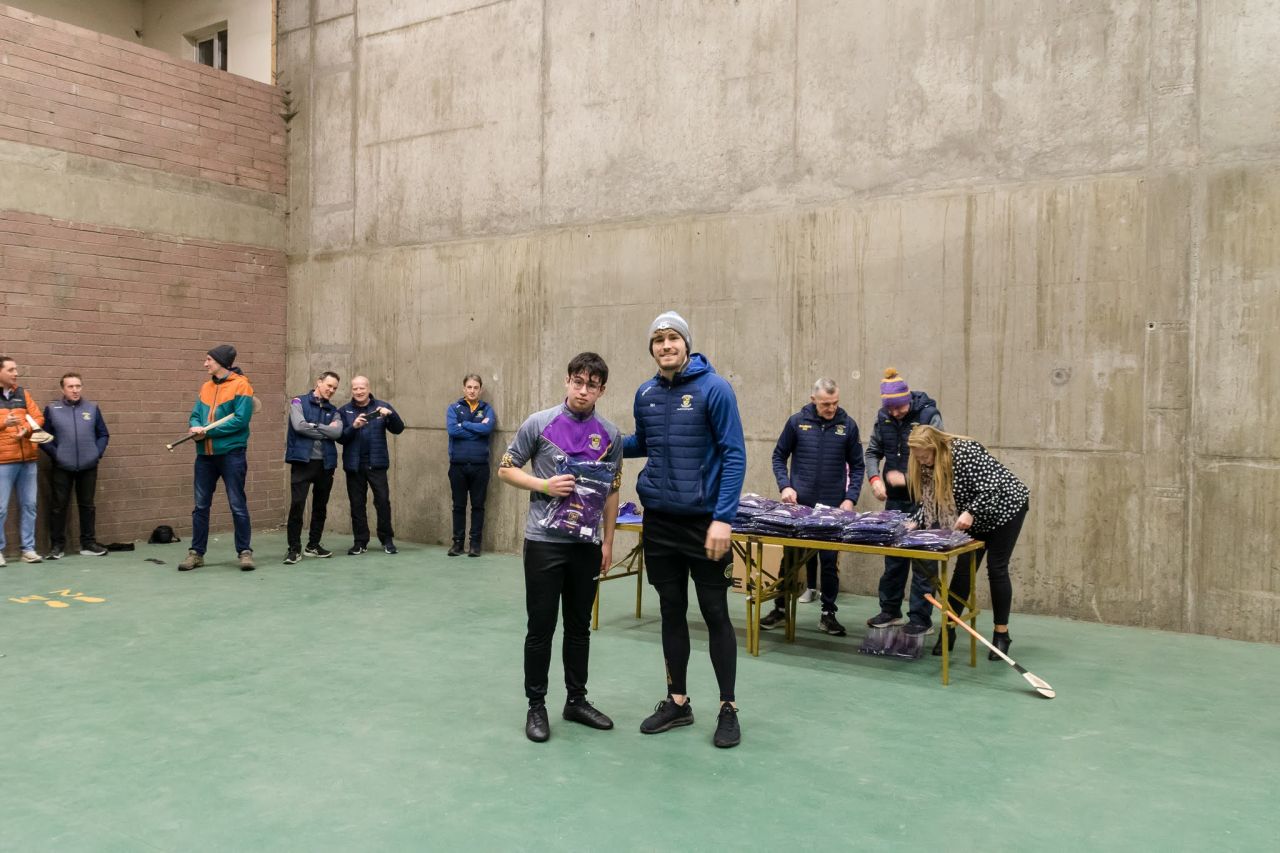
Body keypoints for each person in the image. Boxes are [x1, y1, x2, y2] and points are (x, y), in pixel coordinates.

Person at [624, 311, 747, 749]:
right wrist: (598, 438)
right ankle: (678, 702)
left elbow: (734, 455)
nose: (665, 345)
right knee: (671, 611)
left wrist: (723, 518)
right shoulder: (645, 393)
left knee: (715, 613)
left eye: (672, 337)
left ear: (686, 343)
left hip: (704, 524)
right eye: (657, 339)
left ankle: (728, 708)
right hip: (659, 521)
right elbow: (643, 442)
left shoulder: (715, 389)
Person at [497, 352, 623, 743]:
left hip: (586, 546)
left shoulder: (611, 435)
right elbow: (506, 468)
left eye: (592, 384)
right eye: (578, 381)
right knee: (540, 627)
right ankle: (537, 706)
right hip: (544, 543)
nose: (583, 390)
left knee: (579, 628)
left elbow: (613, 491)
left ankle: (576, 700)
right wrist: (544, 486)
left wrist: (608, 542)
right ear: (567, 381)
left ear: (602, 389)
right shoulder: (539, 423)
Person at [903, 425, 1030, 659]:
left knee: (997, 568)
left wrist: (971, 512)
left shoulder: (964, 451)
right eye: (918, 458)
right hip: (973, 518)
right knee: (962, 572)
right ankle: (948, 630)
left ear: (936, 448)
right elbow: (931, 498)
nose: (922, 462)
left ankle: (1001, 633)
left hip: (1006, 509)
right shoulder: (925, 464)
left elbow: (992, 488)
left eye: (925, 457)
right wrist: (916, 521)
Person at [761, 378, 864, 637]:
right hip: (800, 507)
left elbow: (858, 466)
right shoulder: (797, 423)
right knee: (791, 559)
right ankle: (781, 609)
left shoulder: (848, 426)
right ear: (813, 400)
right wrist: (785, 486)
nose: (831, 408)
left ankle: (828, 614)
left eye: (835, 403)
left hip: (832, 509)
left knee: (829, 563)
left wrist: (850, 498)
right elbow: (778, 456)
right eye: (825, 404)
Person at [864, 368, 944, 637]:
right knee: (894, 558)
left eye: (899, 408)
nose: (895, 413)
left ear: (908, 399)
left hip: (926, 499)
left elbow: (939, 459)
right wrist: (875, 477)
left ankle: (921, 618)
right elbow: (873, 450)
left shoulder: (928, 416)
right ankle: (890, 610)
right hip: (895, 502)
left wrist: (909, 479)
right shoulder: (883, 417)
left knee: (923, 561)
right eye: (891, 409)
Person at [178, 345, 257, 572]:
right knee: (200, 506)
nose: (205, 364)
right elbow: (195, 414)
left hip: (232, 454)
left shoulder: (242, 386)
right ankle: (196, 553)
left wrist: (207, 432)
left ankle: (244, 552)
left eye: (209, 360)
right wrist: (195, 425)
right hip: (205, 456)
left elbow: (241, 420)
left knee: (237, 505)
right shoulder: (205, 387)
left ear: (221, 362)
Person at [41, 372, 110, 559]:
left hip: (88, 466)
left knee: (87, 506)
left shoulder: (92, 408)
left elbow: (103, 434)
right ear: (62, 389)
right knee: (58, 506)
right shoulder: (52, 409)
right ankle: (57, 546)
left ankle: (88, 543)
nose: (75, 390)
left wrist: (96, 453)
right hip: (62, 466)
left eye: (78, 386)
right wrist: (57, 455)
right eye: (70, 386)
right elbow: (43, 437)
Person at [338, 376, 404, 555]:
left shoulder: (382, 407)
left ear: (368, 388)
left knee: (382, 501)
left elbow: (398, 429)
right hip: (354, 465)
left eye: (362, 388)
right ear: (351, 390)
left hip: (377, 464)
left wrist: (391, 415)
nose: (359, 392)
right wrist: (354, 426)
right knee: (357, 504)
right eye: (355, 389)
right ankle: (360, 541)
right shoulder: (344, 411)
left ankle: (387, 540)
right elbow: (341, 438)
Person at [283, 371, 343, 564]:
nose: (331, 390)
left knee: (320, 507)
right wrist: (325, 430)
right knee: (297, 506)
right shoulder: (298, 402)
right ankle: (294, 549)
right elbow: (299, 426)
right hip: (303, 462)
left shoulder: (334, 410)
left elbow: (337, 433)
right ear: (319, 382)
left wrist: (314, 427)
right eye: (329, 385)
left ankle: (313, 545)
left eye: (335, 388)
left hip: (326, 464)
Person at [0, 355, 44, 565]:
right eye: (11, 370)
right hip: (3, 462)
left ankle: (28, 549)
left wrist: (26, 430)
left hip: (28, 460)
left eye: (16, 369)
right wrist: (3, 423)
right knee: (0, 508)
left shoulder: (22, 393)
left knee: (29, 505)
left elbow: (38, 418)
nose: (16, 373)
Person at [446, 373, 496, 557]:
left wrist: (464, 425)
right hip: (457, 466)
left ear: (480, 390)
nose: (472, 390)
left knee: (478, 506)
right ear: (463, 388)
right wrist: (476, 428)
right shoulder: (454, 408)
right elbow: (452, 430)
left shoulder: (487, 409)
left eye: (476, 387)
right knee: (458, 506)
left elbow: (487, 429)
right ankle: (457, 544)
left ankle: (475, 544)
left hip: (480, 466)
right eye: (469, 387)